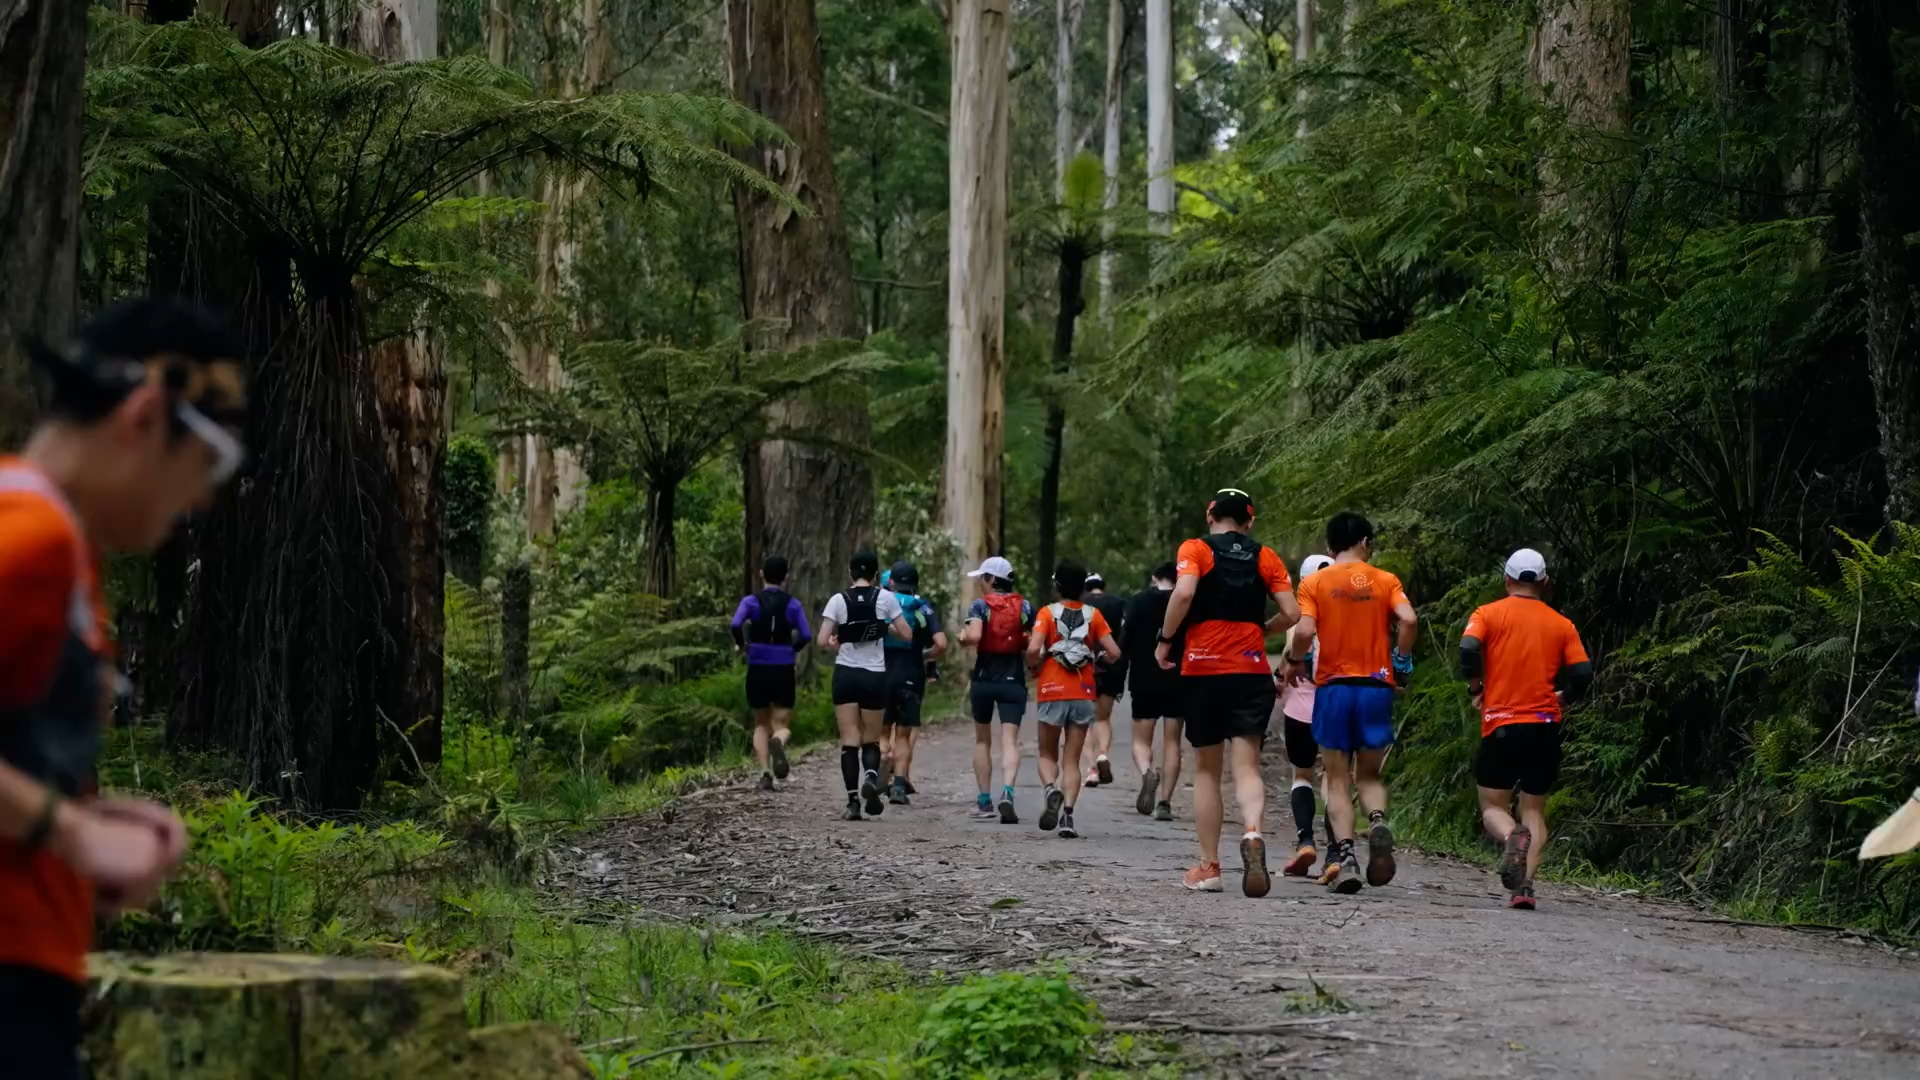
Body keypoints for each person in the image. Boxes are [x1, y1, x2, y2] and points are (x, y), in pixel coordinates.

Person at [1, 298, 248, 1078]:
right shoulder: (30, 535)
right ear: (145, 416)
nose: (204, 498)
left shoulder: (57, 542)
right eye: (210, 465)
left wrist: (80, 818)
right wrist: (71, 834)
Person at [1156, 490, 1299, 896]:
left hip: (1203, 669)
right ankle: (1253, 834)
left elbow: (1183, 593)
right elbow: (1292, 614)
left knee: (1206, 769)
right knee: (1247, 766)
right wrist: (1263, 630)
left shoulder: (1196, 549)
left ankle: (1209, 866)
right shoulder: (1265, 556)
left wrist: (1166, 639)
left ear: (1210, 514)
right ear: (1249, 522)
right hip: (1251, 670)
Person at [1282, 512, 1417, 894]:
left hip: (1335, 689)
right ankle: (1376, 820)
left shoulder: (1316, 582)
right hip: (1376, 686)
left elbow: (1305, 630)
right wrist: (1401, 662)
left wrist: (1295, 660)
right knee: (1369, 776)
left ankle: (1346, 856)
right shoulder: (1386, 580)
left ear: (1329, 547)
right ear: (1365, 542)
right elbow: (1408, 619)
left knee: (1337, 779)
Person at [1461, 548, 1592, 910]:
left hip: (1501, 722)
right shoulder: (1561, 624)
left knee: (1492, 804)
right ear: (1545, 582)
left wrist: (1476, 689)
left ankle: (1510, 837)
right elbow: (1582, 673)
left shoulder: (1486, 614)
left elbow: (1468, 650)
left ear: (1506, 579)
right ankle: (1524, 889)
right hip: (1545, 725)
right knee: (1534, 809)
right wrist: (1565, 696)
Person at [1026, 561, 1122, 839]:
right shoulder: (1094, 615)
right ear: (1083, 587)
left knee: (1046, 753)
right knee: (1072, 759)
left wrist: (1034, 665)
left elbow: (1033, 648)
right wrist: (1097, 660)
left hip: (1051, 688)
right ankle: (1067, 817)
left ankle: (1050, 790)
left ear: (1057, 586)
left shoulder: (1047, 613)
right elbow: (1114, 652)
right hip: (1083, 690)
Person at [816, 550, 913, 821]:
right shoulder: (886, 598)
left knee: (849, 739)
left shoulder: (838, 600)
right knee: (871, 738)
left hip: (846, 674)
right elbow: (907, 634)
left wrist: (836, 643)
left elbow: (822, 640)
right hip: (874, 676)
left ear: (850, 573)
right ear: (875, 574)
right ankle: (871, 776)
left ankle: (852, 802)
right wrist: (885, 627)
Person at [959, 556, 1034, 822]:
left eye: (983, 577)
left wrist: (962, 636)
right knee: (1010, 741)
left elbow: (975, 636)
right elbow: (1034, 645)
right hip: (1013, 680)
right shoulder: (1024, 606)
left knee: (982, 740)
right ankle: (1008, 793)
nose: (980, 582)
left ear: (992, 579)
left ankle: (983, 802)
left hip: (984, 680)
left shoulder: (980, 606)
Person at [730, 555, 811, 791]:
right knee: (782, 722)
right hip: (783, 666)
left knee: (760, 723)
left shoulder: (751, 602)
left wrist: (742, 644)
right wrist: (791, 649)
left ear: (762, 574)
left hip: (757, 664)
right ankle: (779, 740)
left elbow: (735, 624)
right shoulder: (793, 604)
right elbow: (805, 635)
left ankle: (765, 773)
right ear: (786, 577)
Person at [1278, 553, 1334, 876]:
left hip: (1300, 709)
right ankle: (1335, 852)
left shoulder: (1299, 617)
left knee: (1302, 775)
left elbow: (1289, 658)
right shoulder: (1346, 615)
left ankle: (1305, 841)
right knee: (1335, 778)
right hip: (1336, 706)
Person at [881, 561, 948, 805]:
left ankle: (882, 760)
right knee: (903, 733)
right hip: (911, 673)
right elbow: (941, 644)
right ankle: (899, 785)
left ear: (891, 582)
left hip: (882, 672)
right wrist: (924, 655)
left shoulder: (882, 604)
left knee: (883, 729)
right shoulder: (922, 609)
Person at [1122, 562, 1184, 820]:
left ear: (1154, 577)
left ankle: (1148, 771)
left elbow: (1125, 641)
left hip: (1143, 676)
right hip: (1178, 678)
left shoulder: (1138, 602)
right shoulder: (1185, 603)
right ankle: (1165, 804)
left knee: (1140, 741)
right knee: (1172, 742)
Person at [1081, 571, 1127, 789]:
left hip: (1084, 665)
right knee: (1103, 718)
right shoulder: (1119, 603)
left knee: (1086, 721)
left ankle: (1091, 770)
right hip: (1111, 665)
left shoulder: (1079, 604)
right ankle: (1102, 755)